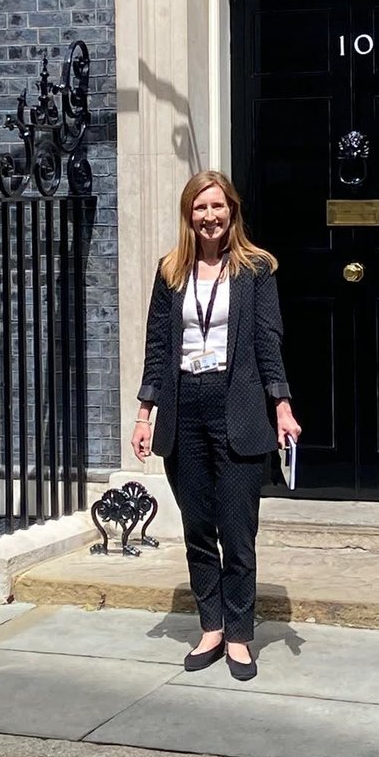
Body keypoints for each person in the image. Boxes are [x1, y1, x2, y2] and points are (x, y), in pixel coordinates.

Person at [132, 170, 301, 681]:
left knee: (237, 529)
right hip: (185, 407)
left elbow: (269, 341)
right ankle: (210, 625)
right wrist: (145, 413)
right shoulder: (171, 272)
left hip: (239, 405)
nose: (209, 217)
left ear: (232, 211)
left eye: (217, 207)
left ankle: (240, 635)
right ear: (189, 216)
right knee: (197, 526)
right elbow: (159, 347)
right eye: (200, 209)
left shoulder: (256, 270)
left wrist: (283, 405)